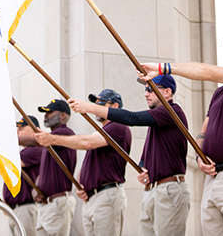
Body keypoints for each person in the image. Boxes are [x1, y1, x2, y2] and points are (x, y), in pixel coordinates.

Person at [138, 34, 223, 236]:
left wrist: (163, 68)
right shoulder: (220, 93)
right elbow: (204, 129)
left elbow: (207, 71)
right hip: (214, 177)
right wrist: (200, 156)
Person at [68, 77, 190, 236]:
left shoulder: (172, 111)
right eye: (145, 89)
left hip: (169, 190)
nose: (146, 94)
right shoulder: (157, 123)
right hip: (152, 191)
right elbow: (143, 158)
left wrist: (90, 108)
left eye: (150, 89)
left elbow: (133, 118)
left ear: (167, 92)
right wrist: (143, 169)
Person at [35, 89, 131, 236]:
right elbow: (88, 163)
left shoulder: (118, 126)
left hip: (107, 195)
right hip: (92, 199)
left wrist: (52, 139)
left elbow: (87, 142)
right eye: (96, 103)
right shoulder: (103, 131)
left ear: (115, 107)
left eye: (101, 103)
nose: (96, 107)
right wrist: (81, 184)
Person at [34, 99, 77, 236]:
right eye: (45, 113)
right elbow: (44, 172)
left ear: (62, 116)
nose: (45, 116)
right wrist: (37, 189)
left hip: (58, 203)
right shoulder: (49, 139)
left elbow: (32, 140)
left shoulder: (65, 133)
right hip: (46, 204)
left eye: (50, 112)